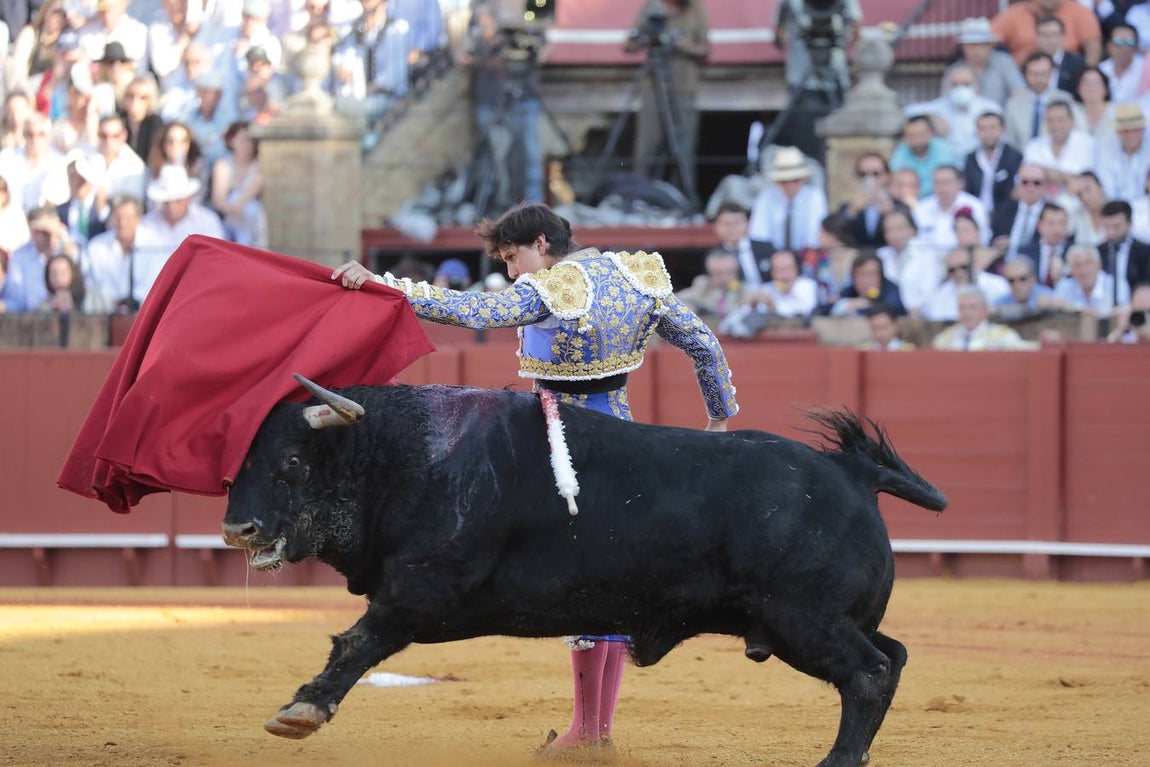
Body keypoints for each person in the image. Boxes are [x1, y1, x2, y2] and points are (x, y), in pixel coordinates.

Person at [331, 202, 738, 758]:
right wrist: (718, 419)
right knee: (611, 579)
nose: (512, 270)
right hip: (623, 440)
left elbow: (474, 310)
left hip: (557, 443)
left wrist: (384, 285)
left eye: (512, 256)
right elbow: (704, 345)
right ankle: (595, 730)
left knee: (576, 579)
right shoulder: (634, 276)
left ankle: (585, 732)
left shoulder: (554, 287)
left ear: (541, 243)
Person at [626, 0, 710, 193]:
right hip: (654, 87)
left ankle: (682, 196)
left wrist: (682, 44)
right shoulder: (651, 7)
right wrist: (647, 36)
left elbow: (705, 50)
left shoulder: (695, 10)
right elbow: (629, 44)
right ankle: (640, 195)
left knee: (683, 147)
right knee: (647, 146)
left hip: (683, 87)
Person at [905, 65, 1001, 155]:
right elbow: (909, 110)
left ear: (976, 86)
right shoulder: (941, 106)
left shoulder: (990, 107)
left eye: (966, 84)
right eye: (955, 85)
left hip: (979, 162)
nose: (960, 89)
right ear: (948, 87)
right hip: (948, 163)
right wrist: (932, 118)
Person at [748, 146, 827, 254]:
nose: (790, 185)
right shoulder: (766, 197)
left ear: (804, 179)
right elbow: (759, 235)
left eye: (795, 180)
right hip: (772, 257)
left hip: (805, 256)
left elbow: (814, 238)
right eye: (784, 181)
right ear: (777, 181)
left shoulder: (814, 197)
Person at [0, 205, 78, 313]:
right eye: (38, 231)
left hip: (68, 317)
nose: (44, 235)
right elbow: (16, 299)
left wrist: (63, 236)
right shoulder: (20, 257)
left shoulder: (67, 249)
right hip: (30, 319)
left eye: (47, 230)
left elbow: (80, 282)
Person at [84, 194, 148, 313]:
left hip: (143, 313)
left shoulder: (153, 245)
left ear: (138, 218)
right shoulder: (96, 247)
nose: (122, 223)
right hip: (105, 315)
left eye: (128, 218)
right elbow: (92, 286)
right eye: (118, 218)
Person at [990, 0, 1102, 67]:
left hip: (1067, 76)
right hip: (1021, 76)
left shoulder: (1079, 11)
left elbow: (1093, 45)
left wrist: (1086, 75)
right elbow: (988, 38)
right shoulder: (1015, 14)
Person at [942, 17, 1024, 107]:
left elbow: (1020, 94)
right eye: (971, 45)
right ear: (963, 47)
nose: (976, 50)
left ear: (991, 45)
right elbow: (945, 102)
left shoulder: (1004, 62)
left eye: (981, 44)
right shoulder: (954, 70)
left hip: (1001, 114)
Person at [210, 120, 267, 248]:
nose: (248, 145)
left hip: (253, 224)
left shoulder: (260, 166)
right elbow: (218, 199)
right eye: (243, 140)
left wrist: (238, 205)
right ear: (232, 141)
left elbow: (254, 189)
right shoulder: (223, 165)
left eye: (251, 140)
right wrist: (230, 208)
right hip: (229, 222)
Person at [931, 285, 1041, 350]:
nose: (966, 313)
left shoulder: (1000, 335)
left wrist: (1043, 343)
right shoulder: (947, 337)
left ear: (984, 310)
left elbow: (1024, 348)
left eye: (972, 307)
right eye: (962, 308)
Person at [876, 208, 940, 314]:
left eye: (900, 228)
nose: (894, 235)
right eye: (888, 230)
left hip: (920, 315)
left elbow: (931, 291)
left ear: (913, 229)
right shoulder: (880, 256)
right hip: (886, 315)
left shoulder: (927, 254)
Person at [921, 246, 1011, 321]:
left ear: (974, 265)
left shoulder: (997, 285)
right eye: (952, 270)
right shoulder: (942, 294)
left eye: (963, 267)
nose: (958, 273)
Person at [840, 151, 909, 248]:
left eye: (875, 174)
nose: (869, 179)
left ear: (887, 176)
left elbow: (909, 235)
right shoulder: (847, 208)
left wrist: (891, 213)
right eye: (863, 174)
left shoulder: (900, 206)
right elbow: (836, 235)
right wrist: (851, 212)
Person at [963, 108, 1024, 218]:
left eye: (992, 128)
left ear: (1002, 129)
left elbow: (1014, 194)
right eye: (983, 128)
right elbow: (967, 191)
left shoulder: (1014, 157)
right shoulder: (970, 158)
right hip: (975, 214)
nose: (988, 133)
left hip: (1005, 216)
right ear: (977, 132)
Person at [889, 114, 957, 198]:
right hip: (910, 198)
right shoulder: (900, 152)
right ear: (905, 137)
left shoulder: (944, 149)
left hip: (939, 199)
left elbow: (947, 180)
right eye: (911, 135)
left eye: (921, 134)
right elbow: (896, 183)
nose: (917, 139)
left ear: (932, 133)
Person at [675, 247, 749, 323]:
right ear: (709, 274)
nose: (724, 279)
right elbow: (676, 301)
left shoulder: (744, 292)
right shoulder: (702, 287)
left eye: (729, 273)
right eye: (718, 274)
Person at [1098, 198, 1150, 305]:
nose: (1111, 232)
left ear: (1129, 223)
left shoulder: (1145, 252)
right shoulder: (1098, 251)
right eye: (1107, 227)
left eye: (1116, 227)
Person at [823, 251, 906, 317]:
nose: (866, 280)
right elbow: (825, 309)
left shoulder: (890, 289)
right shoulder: (850, 291)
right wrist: (848, 304)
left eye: (870, 274)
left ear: (880, 276)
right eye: (861, 275)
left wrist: (863, 305)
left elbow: (891, 309)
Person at [1096, 102, 1150, 202]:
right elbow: (1106, 187)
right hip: (1116, 207)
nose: (1131, 135)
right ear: (1118, 132)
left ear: (1143, 130)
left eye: (1135, 129)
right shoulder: (1107, 152)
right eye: (1126, 130)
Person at [710, 201, 768, 287]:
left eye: (737, 223)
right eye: (727, 224)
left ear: (747, 223)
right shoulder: (712, 256)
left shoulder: (765, 248)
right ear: (716, 227)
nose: (732, 228)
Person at [1017, 202, 1074, 287]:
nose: (1057, 229)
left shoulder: (1074, 251)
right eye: (1051, 223)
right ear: (1039, 225)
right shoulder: (1025, 252)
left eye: (1062, 223)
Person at [1035, 14, 1086, 95]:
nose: (1049, 40)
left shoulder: (1077, 63)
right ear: (1037, 37)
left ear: (1063, 36)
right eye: (1044, 35)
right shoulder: (1030, 63)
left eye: (1054, 34)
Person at [1100, 23, 1144, 104]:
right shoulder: (1101, 70)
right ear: (1109, 46)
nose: (1124, 47)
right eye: (1118, 42)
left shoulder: (1146, 69)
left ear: (1137, 47)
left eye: (1130, 42)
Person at [1074, 66, 1115, 142]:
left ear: (1105, 89)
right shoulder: (1072, 113)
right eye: (1086, 83)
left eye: (1095, 83)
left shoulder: (1116, 113)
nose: (1090, 87)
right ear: (1078, 89)